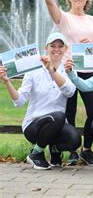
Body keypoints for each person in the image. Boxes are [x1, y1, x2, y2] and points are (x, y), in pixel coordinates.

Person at [36, 0, 93, 166]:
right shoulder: (63, 18)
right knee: (69, 112)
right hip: (68, 71)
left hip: (91, 72)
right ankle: (72, 150)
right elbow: (49, 4)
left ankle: (87, 150)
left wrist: (90, 46)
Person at [0, 32, 81, 169]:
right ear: (46, 48)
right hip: (34, 125)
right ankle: (35, 153)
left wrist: (51, 70)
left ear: (65, 49)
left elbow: (70, 91)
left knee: (74, 140)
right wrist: (7, 82)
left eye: (60, 46)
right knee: (59, 116)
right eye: (52, 46)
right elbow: (19, 101)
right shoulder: (33, 70)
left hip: (58, 124)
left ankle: (54, 149)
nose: (56, 49)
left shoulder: (68, 69)